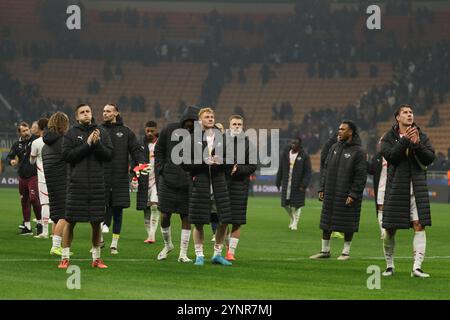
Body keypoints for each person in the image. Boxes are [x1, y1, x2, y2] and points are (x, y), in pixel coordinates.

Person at [380, 105, 435, 278]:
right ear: (397, 117)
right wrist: (405, 141)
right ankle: (389, 265)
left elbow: (430, 158)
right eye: (405, 112)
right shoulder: (388, 137)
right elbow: (392, 156)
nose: (409, 114)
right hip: (396, 187)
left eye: (411, 112)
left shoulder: (422, 136)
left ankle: (417, 268)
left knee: (419, 226)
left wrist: (417, 144)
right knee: (390, 229)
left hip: (417, 188)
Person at [58, 104, 113, 269]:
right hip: (77, 185)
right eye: (82, 112)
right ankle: (65, 257)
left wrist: (96, 144)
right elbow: (67, 156)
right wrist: (88, 144)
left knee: (97, 222)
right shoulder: (71, 133)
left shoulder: (102, 132)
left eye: (88, 111)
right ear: (76, 117)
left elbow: (109, 155)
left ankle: (96, 259)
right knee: (70, 222)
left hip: (96, 185)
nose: (86, 114)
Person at [182, 107, 233, 266]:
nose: (210, 119)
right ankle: (199, 255)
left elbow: (231, 161)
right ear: (200, 120)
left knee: (224, 220)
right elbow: (185, 164)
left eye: (212, 116)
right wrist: (203, 162)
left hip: (219, 184)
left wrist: (221, 161)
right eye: (207, 117)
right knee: (198, 221)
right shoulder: (191, 139)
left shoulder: (223, 139)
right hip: (201, 184)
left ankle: (217, 254)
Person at [311, 120, 367, 260]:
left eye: (342, 129)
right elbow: (326, 169)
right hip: (331, 191)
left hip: (346, 193)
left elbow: (360, 176)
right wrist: (322, 188)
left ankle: (345, 252)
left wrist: (353, 194)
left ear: (351, 132)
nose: (339, 131)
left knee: (348, 223)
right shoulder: (334, 147)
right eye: (339, 129)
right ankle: (325, 251)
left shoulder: (358, 152)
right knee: (326, 222)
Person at [153, 107, 199, 262]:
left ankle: (183, 253)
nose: (190, 125)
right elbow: (158, 150)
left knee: (186, 217)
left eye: (194, 122)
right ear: (184, 119)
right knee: (165, 215)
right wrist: (161, 169)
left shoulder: (199, 136)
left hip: (187, 183)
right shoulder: (169, 129)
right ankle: (168, 245)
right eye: (189, 121)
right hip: (168, 181)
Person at [101, 104, 146, 254]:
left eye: (108, 111)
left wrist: (140, 163)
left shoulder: (125, 131)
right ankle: (99, 239)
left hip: (120, 177)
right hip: (102, 176)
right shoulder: (99, 130)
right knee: (101, 208)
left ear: (116, 113)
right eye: (104, 111)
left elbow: (136, 149)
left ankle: (114, 244)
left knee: (118, 210)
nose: (105, 113)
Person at [224, 115, 257, 261]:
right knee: (222, 220)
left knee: (237, 221)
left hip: (240, 186)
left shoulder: (249, 144)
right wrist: (225, 168)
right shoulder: (221, 142)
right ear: (229, 125)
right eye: (234, 124)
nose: (237, 126)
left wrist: (238, 170)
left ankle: (231, 252)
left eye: (239, 124)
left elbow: (252, 166)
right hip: (223, 185)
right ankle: (223, 248)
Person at [42, 112, 71, 255]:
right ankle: (56, 246)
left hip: (51, 181)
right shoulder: (63, 141)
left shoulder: (46, 144)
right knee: (65, 215)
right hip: (62, 181)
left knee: (56, 214)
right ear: (63, 124)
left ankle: (55, 245)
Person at [7, 122, 42, 235]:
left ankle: (39, 223)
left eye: (27, 130)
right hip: (22, 176)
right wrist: (11, 161)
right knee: (24, 201)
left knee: (33, 199)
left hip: (33, 175)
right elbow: (9, 156)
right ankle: (27, 227)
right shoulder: (17, 145)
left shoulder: (36, 140)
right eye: (24, 131)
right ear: (20, 133)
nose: (27, 132)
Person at [276, 137, 312, 231]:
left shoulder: (304, 156)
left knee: (297, 204)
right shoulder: (285, 154)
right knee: (285, 204)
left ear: (299, 144)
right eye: (292, 143)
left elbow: (308, 172)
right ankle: (292, 218)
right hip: (286, 183)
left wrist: (304, 185)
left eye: (295, 143)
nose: (293, 145)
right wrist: (278, 180)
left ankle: (295, 223)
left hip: (298, 184)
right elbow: (281, 168)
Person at [138, 120, 160, 245]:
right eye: (148, 131)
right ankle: (149, 234)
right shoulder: (141, 144)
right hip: (145, 178)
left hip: (157, 179)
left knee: (154, 205)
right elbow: (136, 160)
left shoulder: (160, 144)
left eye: (152, 131)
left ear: (156, 130)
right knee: (145, 208)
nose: (150, 133)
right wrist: (135, 176)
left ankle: (152, 235)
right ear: (145, 130)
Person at [30, 118, 49, 238]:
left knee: (45, 204)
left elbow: (31, 161)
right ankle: (58, 233)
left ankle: (46, 232)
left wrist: (35, 157)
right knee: (58, 204)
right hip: (57, 176)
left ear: (40, 128)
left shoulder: (36, 142)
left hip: (43, 177)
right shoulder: (57, 141)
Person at [367, 137, 388, 239]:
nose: (380, 144)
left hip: (393, 188)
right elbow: (372, 170)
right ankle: (383, 231)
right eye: (380, 142)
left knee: (391, 211)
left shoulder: (395, 155)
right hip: (380, 187)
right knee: (380, 209)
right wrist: (365, 162)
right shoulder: (377, 157)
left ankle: (389, 229)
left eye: (382, 142)